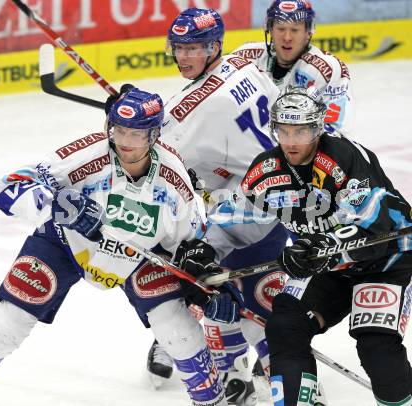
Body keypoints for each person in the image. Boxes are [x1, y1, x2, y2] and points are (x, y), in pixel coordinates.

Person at [0, 89, 245, 406]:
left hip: (138, 257)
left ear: (154, 134)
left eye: (136, 133)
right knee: (8, 323)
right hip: (65, 244)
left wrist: (204, 287)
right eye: (119, 130)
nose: (125, 141)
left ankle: (211, 400)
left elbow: (193, 246)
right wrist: (57, 202)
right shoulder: (86, 154)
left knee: (176, 327)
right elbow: (10, 186)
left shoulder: (174, 179)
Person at [190, 85, 412, 405]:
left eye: (302, 131)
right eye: (284, 130)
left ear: (318, 128)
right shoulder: (267, 171)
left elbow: (374, 219)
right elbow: (235, 223)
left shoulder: (344, 157)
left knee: (376, 347)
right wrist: (206, 251)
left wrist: (324, 243)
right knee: (285, 326)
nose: (292, 141)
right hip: (326, 267)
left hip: (384, 261)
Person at [146, 7, 289, 404]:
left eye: (196, 48)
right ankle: (269, 369)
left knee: (194, 274)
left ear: (215, 46)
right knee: (254, 291)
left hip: (248, 210)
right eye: (179, 48)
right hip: (285, 194)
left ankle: (245, 369)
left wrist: (133, 120)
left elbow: (150, 160)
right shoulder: (247, 62)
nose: (185, 57)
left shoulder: (187, 113)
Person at [233, 0, 355, 137]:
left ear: (308, 33)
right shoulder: (246, 57)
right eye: (280, 29)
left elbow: (336, 133)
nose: (287, 37)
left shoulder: (327, 70)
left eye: (295, 30)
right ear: (270, 30)